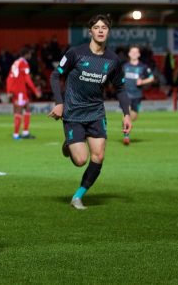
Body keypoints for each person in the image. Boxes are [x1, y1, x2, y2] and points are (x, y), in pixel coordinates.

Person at [48, 14, 131, 210]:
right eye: (97, 27)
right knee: (80, 160)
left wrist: (126, 113)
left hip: (96, 113)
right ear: (90, 31)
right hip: (73, 112)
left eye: (104, 27)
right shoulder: (75, 53)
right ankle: (69, 146)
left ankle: (78, 196)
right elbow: (54, 76)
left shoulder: (113, 60)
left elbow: (120, 88)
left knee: (98, 157)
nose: (101, 30)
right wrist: (59, 103)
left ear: (108, 32)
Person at [6, 46, 41, 139]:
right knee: (19, 110)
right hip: (19, 91)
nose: (30, 55)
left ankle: (25, 132)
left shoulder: (16, 62)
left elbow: (9, 77)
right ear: (27, 54)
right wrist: (35, 90)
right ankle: (16, 134)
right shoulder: (24, 63)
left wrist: (9, 90)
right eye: (29, 54)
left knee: (27, 108)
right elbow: (27, 79)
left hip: (18, 90)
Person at [122, 46, 154, 145]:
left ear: (139, 54)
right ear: (129, 54)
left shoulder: (143, 67)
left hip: (137, 95)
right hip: (126, 94)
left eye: (136, 52)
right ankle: (126, 136)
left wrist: (142, 81)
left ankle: (127, 124)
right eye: (133, 52)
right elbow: (118, 77)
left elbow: (152, 78)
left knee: (134, 116)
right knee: (126, 113)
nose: (134, 53)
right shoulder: (124, 66)